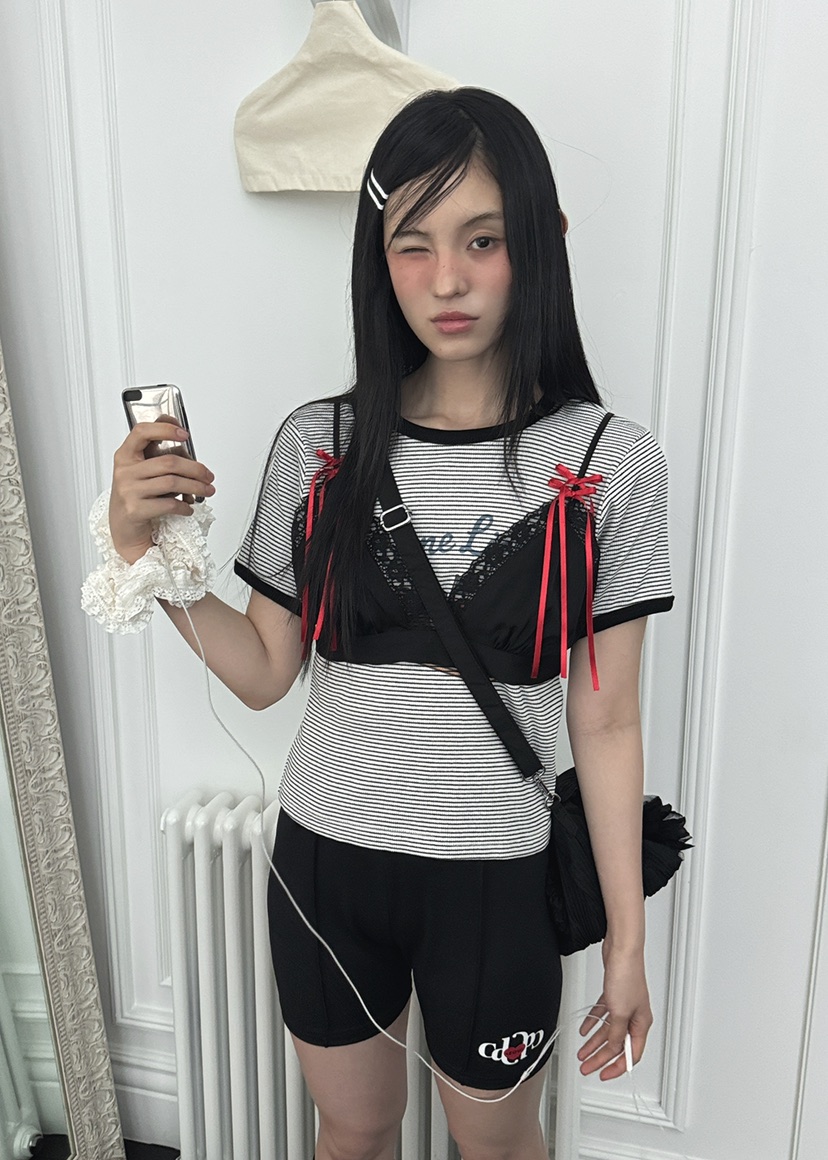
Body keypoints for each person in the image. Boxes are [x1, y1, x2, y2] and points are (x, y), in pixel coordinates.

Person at [103, 88, 674, 1160]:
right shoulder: (320, 445)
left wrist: (629, 946)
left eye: (482, 240)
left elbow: (606, 723)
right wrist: (151, 560)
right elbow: (266, 671)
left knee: (497, 1145)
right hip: (326, 866)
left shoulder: (608, 461)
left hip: (496, 882)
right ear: (381, 257)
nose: (447, 279)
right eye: (413, 244)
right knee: (355, 1130)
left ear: (540, 241)